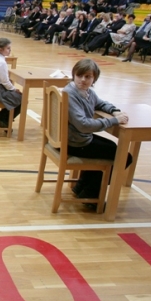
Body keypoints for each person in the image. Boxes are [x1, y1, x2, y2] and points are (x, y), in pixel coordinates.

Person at [63, 58, 132, 205]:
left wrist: (114, 111)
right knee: (124, 157)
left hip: (77, 139)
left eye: (88, 77)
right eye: (79, 75)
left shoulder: (87, 92)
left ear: (94, 79)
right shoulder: (70, 94)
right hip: (75, 142)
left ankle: (83, 186)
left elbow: (100, 103)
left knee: (114, 149)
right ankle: (90, 194)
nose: (83, 79)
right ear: (73, 74)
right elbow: (83, 125)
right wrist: (113, 121)